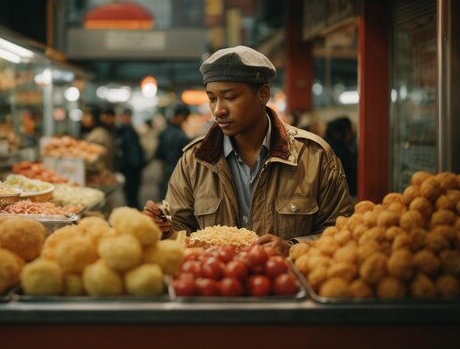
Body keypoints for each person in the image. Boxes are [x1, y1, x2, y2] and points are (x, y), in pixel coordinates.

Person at [143, 45, 353, 253]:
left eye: (230, 97)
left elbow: (340, 232)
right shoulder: (195, 160)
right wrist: (163, 228)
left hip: (284, 281)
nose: (218, 110)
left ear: (263, 95)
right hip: (213, 282)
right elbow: (179, 230)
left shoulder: (314, 156)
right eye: (212, 98)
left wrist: (292, 247)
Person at [154, 105, 191, 198]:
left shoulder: (164, 132)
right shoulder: (182, 136)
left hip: (165, 170)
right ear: (180, 117)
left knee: (164, 199)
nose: (186, 121)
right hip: (178, 172)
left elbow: (158, 153)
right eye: (185, 118)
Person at [116, 108, 145, 208]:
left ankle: (134, 216)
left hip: (132, 168)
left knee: (132, 195)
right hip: (130, 168)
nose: (126, 118)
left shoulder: (127, 130)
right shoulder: (124, 130)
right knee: (131, 195)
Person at [324, 116, 357, 197]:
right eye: (349, 130)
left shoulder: (328, 147)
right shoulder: (337, 152)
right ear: (338, 133)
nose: (352, 133)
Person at [84, 105, 116, 171]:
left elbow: (96, 160)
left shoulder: (98, 134)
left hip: (100, 172)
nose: (84, 118)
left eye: (87, 115)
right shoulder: (98, 132)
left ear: (94, 117)